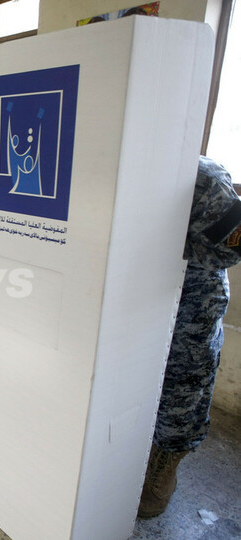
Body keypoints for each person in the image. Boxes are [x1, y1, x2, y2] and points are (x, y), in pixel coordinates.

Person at [139, 157, 241, 518]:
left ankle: (165, 463)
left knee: (183, 383)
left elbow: (230, 247)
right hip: (139, 287)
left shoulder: (203, 179)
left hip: (194, 295)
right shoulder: (112, 159)